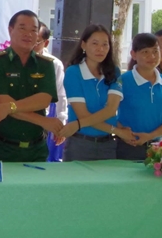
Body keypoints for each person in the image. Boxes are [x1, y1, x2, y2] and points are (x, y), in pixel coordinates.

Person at [0, 10, 62, 162]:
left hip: (36, 150)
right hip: (0, 149)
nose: (28, 34)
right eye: (22, 28)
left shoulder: (45, 65)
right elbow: (2, 103)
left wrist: (8, 108)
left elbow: (43, 100)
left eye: (33, 30)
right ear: (11, 30)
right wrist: (43, 121)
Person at [57, 25, 134, 161]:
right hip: (80, 146)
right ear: (83, 45)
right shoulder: (73, 72)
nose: (101, 49)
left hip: (108, 146)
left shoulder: (114, 72)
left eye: (105, 44)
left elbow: (111, 110)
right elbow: (83, 115)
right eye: (95, 43)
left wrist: (78, 123)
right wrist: (118, 132)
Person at [116, 33, 162, 161]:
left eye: (155, 51)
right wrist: (121, 131)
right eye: (145, 52)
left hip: (158, 149)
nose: (152, 56)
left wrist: (150, 136)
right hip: (127, 147)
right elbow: (108, 113)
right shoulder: (122, 81)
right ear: (133, 54)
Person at [33, 22, 67, 159]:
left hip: (40, 122)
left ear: (46, 43)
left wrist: (61, 124)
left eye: (37, 42)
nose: (31, 45)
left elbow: (61, 95)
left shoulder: (54, 65)